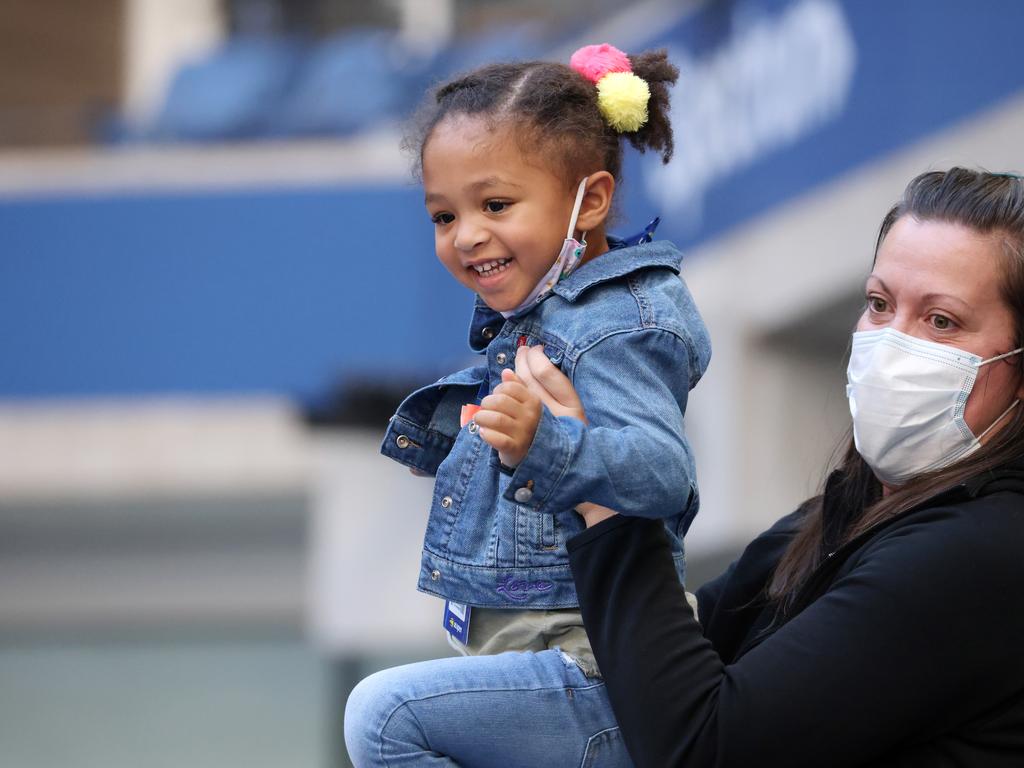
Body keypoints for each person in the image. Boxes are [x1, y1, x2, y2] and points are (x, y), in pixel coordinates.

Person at [555, 168, 1024, 767]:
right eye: (879, 304)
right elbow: (665, 670)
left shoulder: (980, 551)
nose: (891, 343)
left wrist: (607, 486)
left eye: (941, 321)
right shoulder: (838, 516)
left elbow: (704, 746)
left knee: (395, 717)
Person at [344, 44, 710, 766]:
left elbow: (663, 473)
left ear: (592, 200)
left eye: (496, 204)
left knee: (382, 717)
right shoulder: (537, 326)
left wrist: (549, 444)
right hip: (539, 663)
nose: (467, 235)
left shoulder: (616, 324)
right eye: (443, 216)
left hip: (595, 673)